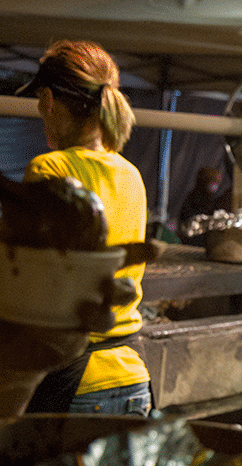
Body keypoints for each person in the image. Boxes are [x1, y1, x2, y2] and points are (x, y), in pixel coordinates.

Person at [17, 40, 153, 416]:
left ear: (47, 100)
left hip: (72, 383)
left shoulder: (50, 169)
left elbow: (36, 283)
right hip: (132, 376)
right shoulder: (132, 175)